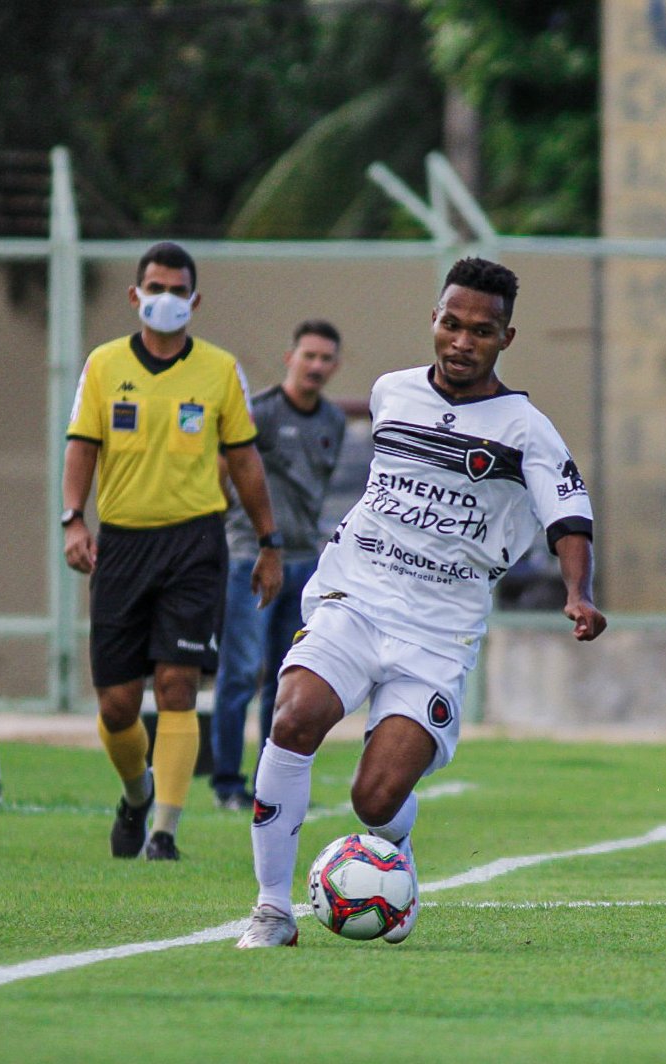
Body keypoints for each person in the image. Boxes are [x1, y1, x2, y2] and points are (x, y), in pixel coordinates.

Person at [237, 257, 608, 948]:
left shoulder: (526, 429)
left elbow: (569, 517)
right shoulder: (391, 394)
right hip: (355, 598)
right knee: (292, 719)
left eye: (481, 331)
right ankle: (270, 909)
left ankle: (394, 849)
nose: (462, 341)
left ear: (507, 338)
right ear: (434, 322)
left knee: (373, 799)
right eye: (451, 324)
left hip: (437, 633)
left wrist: (577, 592)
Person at [62, 241, 283, 861]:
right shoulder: (104, 366)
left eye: (176, 289)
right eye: (154, 288)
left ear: (195, 299)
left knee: (179, 685)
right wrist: (73, 520)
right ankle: (136, 796)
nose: (165, 299)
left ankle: (164, 830)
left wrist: (269, 543)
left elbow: (244, 460)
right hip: (123, 544)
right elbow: (81, 445)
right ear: (135, 296)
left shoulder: (220, 370)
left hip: (195, 544)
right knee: (117, 703)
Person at [211, 319, 347, 810]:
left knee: (289, 675)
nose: (316, 366)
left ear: (335, 365)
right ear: (290, 358)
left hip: (306, 562)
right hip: (252, 555)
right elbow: (225, 471)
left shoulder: (332, 421)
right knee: (242, 669)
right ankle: (227, 784)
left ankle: (272, 785)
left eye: (325, 358)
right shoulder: (261, 412)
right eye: (308, 356)